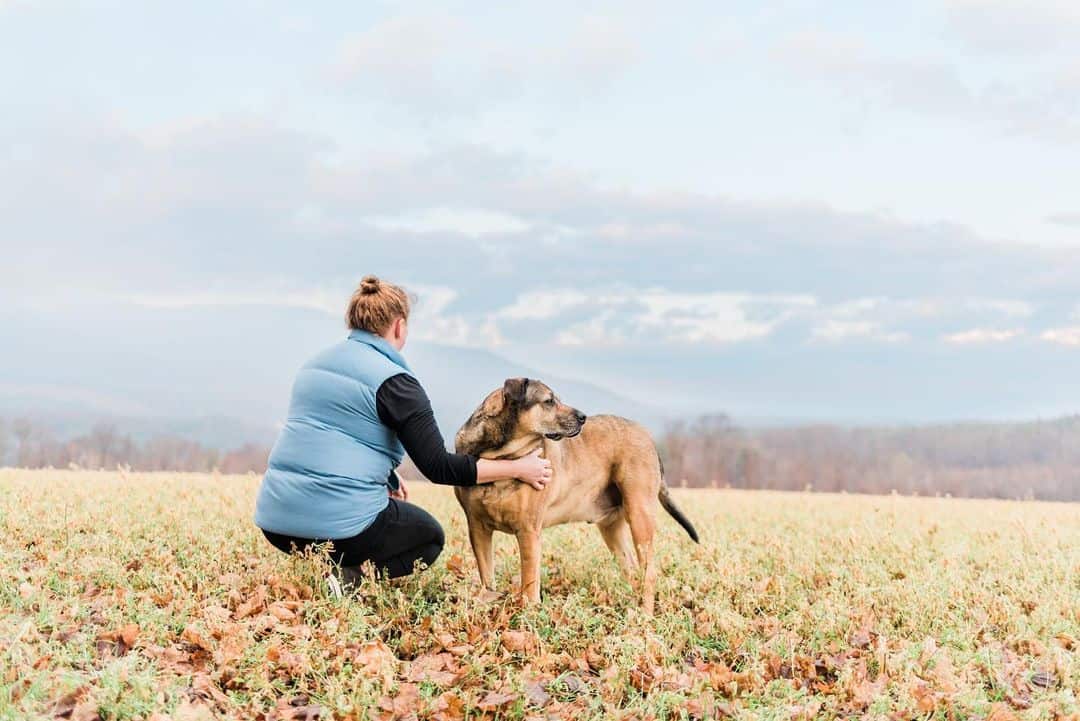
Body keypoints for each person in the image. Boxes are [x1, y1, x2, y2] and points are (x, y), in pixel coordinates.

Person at [254, 275, 552, 583]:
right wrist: (518, 468)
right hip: (340, 528)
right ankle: (346, 579)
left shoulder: (314, 366)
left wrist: (388, 477)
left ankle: (329, 566)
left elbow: (332, 436)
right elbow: (439, 467)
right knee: (428, 537)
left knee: (375, 519)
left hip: (277, 525)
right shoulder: (397, 384)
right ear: (399, 326)